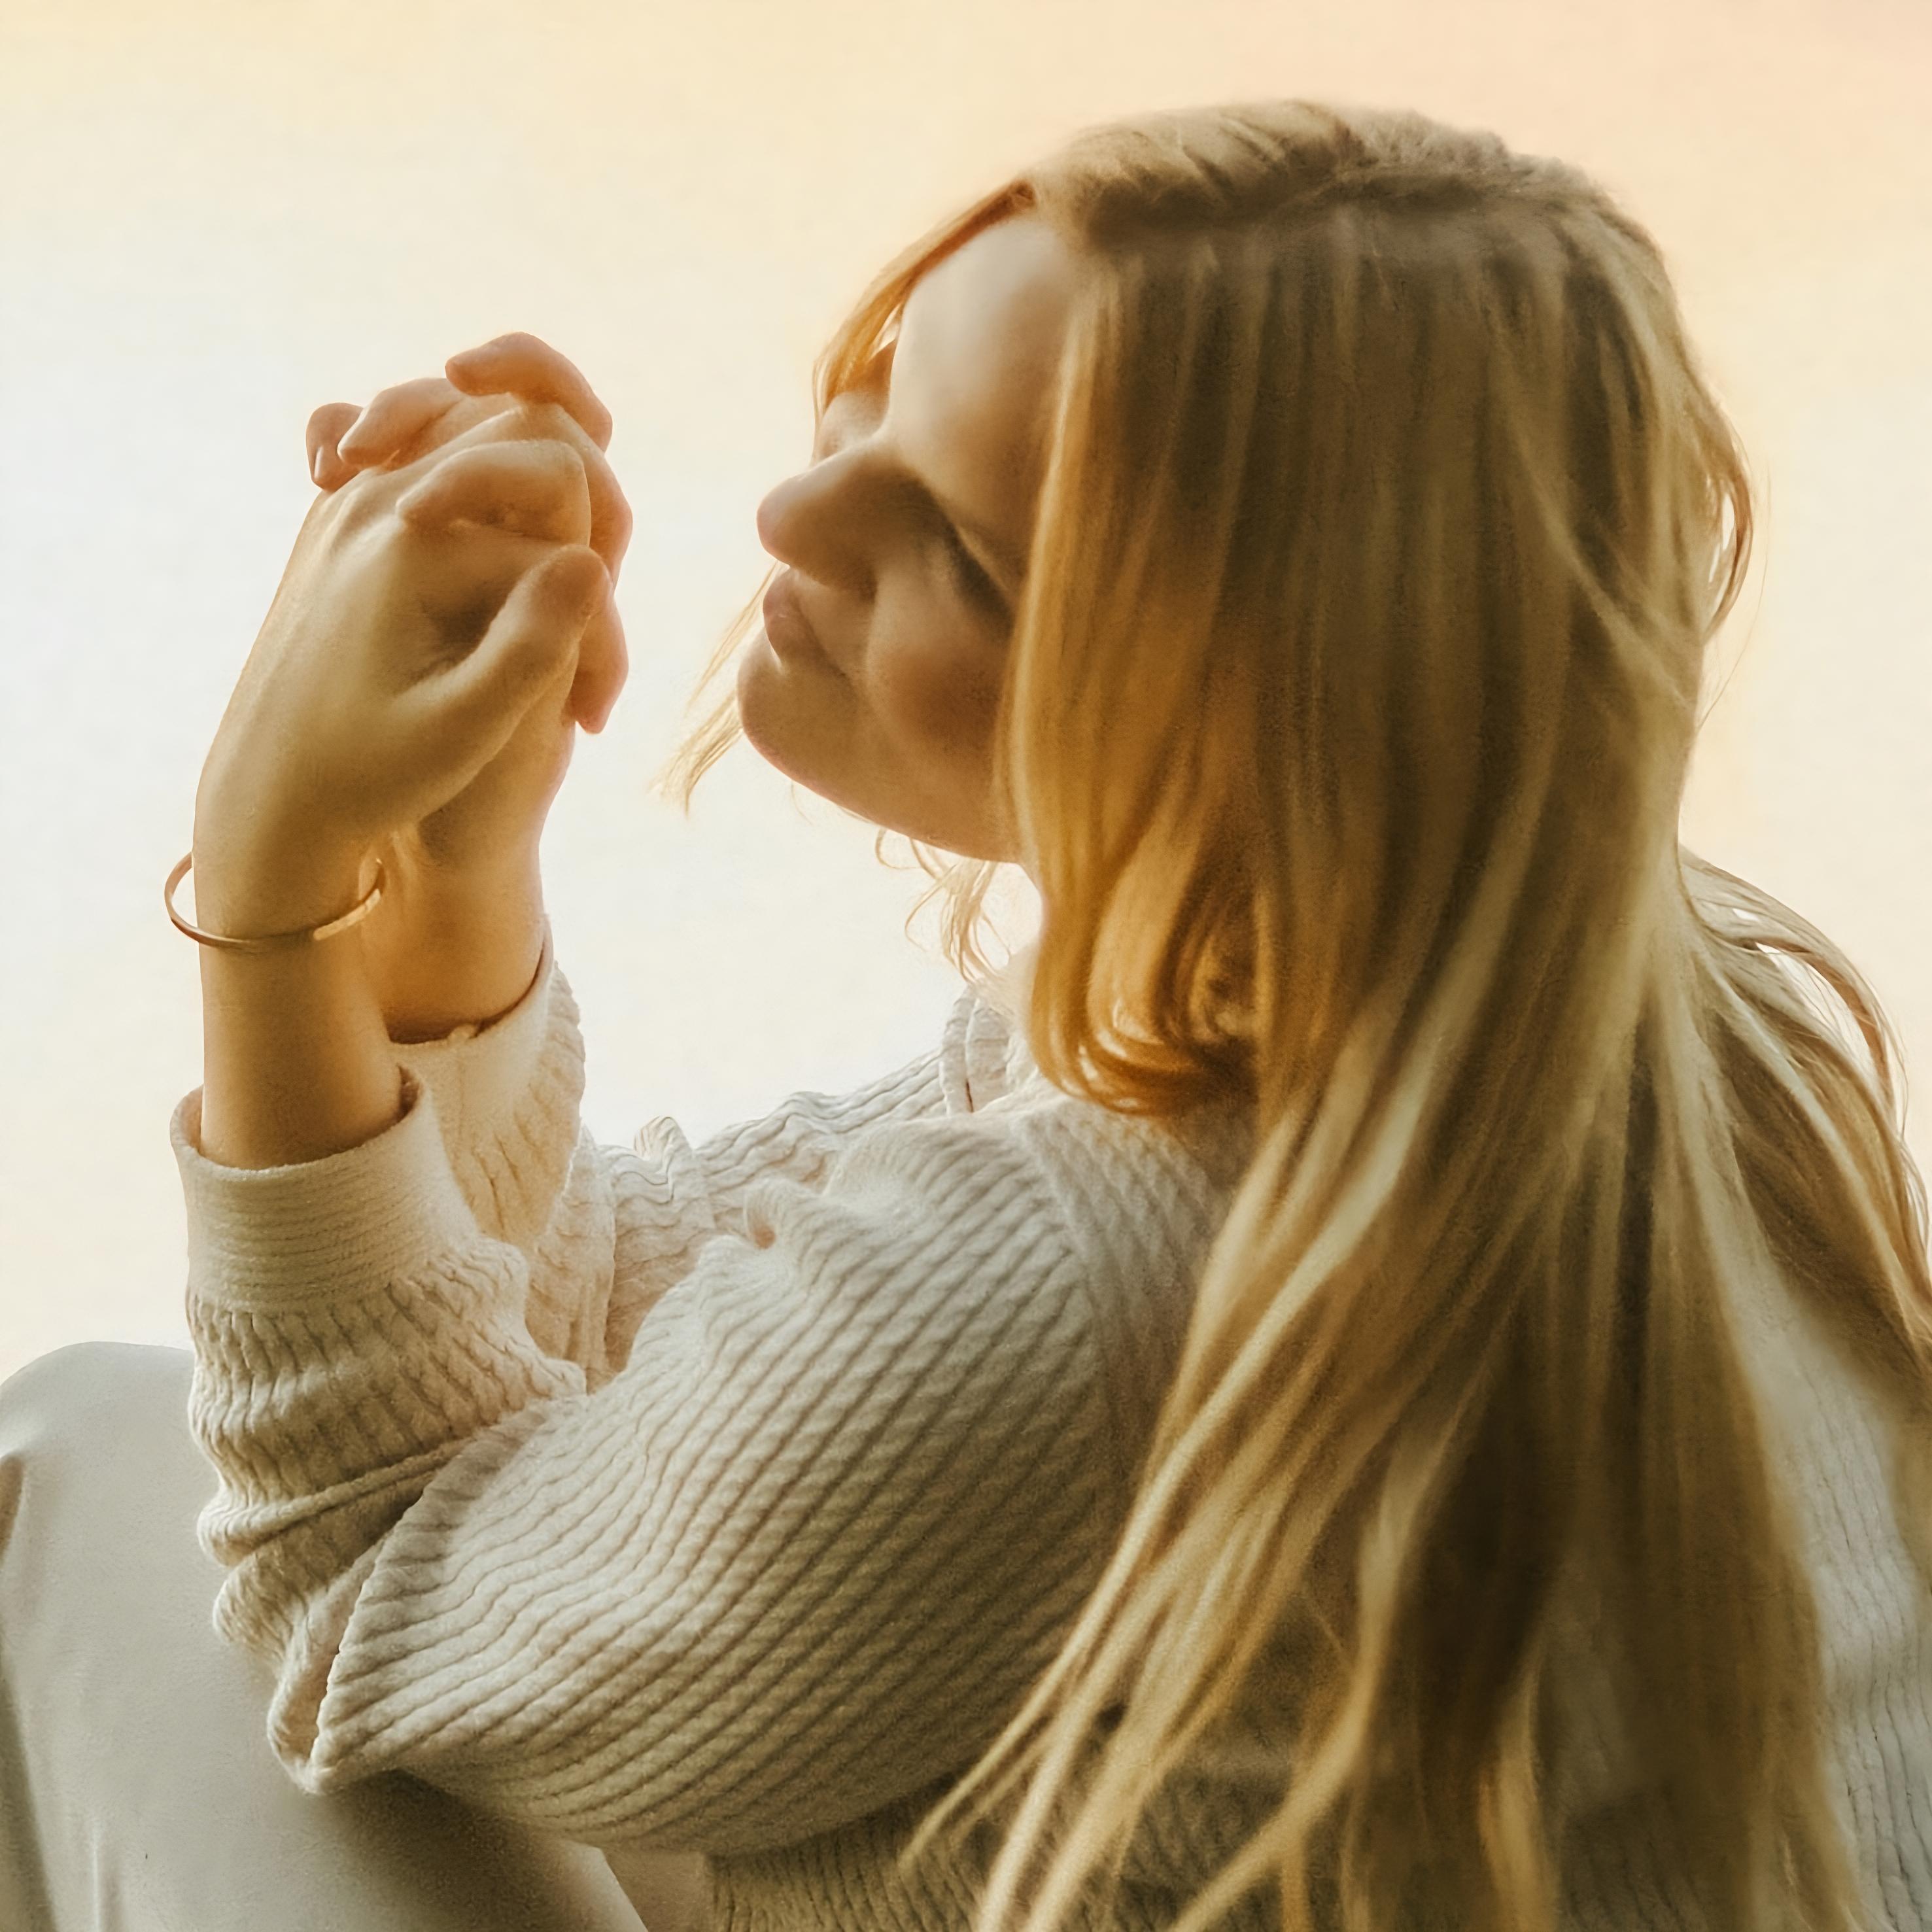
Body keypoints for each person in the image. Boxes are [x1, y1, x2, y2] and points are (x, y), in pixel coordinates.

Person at [3, 94, 1929, 1932]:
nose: (795, 505)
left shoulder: (1078, 1287)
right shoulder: (1594, 983)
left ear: (1225, 727)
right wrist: (448, 880)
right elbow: (658, 1374)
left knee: (92, 1472)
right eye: (880, 388)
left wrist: (268, 892)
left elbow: (362, 1591)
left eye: (965, 552)